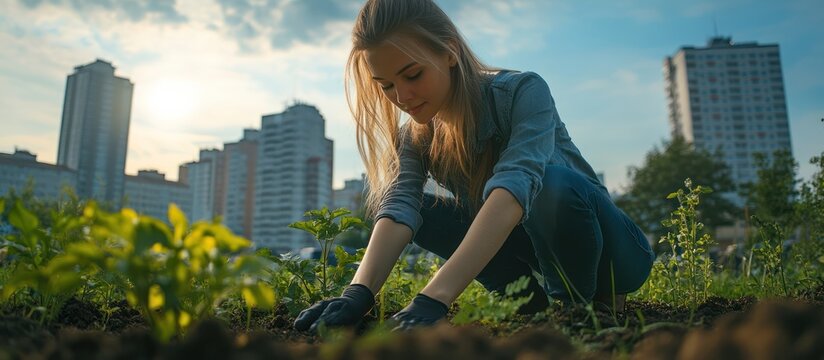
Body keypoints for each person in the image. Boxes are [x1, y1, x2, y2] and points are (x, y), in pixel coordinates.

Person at [294, 0, 655, 333]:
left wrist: (434, 297)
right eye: (386, 85)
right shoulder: (416, 136)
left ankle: (577, 309)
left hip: (613, 255)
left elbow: (516, 185)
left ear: (449, 51)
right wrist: (357, 293)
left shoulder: (522, 92)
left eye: (413, 75)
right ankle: (528, 304)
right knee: (408, 202)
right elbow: (400, 205)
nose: (402, 97)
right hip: (535, 251)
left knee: (550, 184)